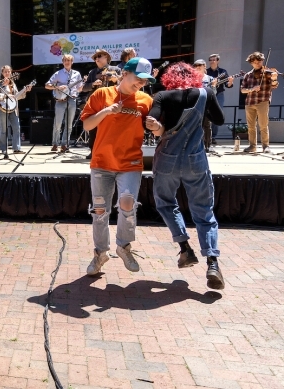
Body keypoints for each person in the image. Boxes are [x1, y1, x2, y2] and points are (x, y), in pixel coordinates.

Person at [146, 62, 225, 289]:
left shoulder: (162, 96)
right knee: (204, 211)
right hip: (195, 158)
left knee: (166, 203)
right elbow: (219, 120)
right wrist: (205, 104)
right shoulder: (205, 93)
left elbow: (152, 123)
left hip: (167, 157)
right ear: (194, 76)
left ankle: (185, 248)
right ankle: (212, 262)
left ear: (169, 78)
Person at [80, 57, 154, 276]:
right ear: (124, 74)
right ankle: (100, 253)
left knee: (128, 205)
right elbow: (87, 124)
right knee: (100, 211)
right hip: (102, 163)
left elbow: (157, 130)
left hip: (130, 163)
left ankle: (124, 246)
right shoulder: (102, 95)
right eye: (137, 79)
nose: (140, 84)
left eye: (144, 80)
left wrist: (156, 127)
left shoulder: (146, 101)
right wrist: (106, 112)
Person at [81, 49, 121, 159]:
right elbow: (84, 88)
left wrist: (116, 79)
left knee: (111, 128)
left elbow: (123, 84)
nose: (96, 59)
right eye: (95, 57)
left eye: (99, 56)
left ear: (106, 57)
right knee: (93, 128)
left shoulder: (115, 69)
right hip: (96, 104)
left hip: (111, 103)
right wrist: (93, 84)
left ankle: (111, 151)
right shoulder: (93, 72)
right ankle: (93, 150)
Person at [240, 51, 279, 153]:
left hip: (262, 101)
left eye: (260, 61)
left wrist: (274, 79)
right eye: (255, 62)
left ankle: (266, 146)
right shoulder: (247, 75)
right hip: (249, 102)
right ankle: (252, 146)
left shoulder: (267, 72)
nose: (258, 64)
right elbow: (243, 90)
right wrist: (252, 89)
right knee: (251, 126)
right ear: (251, 63)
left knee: (263, 125)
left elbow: (274, 86)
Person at [44, 54, 82, 152]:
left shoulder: (77, 74)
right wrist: (57, 87)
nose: (67, 62)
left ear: (72, 62)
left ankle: (64, 144)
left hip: (72, 99)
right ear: (63, 62)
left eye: (69, 60)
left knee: (69, 124)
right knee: (58, 123)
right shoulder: (58, 73)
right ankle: (55, 143)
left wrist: (81, 87)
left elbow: (80, 88)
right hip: (60, 100)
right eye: (65, 60)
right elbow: (47, 85)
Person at [0, 65, 31, 155]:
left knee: (17, 128)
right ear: (2, 73)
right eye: (5, 71)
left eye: (9, 71)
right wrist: (5, 96)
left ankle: (16, 148)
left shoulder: (12, 84)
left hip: (13, 109)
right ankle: (3, 149)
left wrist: (25, 91)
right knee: (4, 130)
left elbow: (17, 96)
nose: (7, 73)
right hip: (2, 109)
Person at [207, 53, 234, 144]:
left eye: (214, 60)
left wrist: (230, 82)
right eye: (210, 60)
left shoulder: (223, 72)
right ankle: (206, 136)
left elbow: (227, 85)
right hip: (208, 94)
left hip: (219, 94)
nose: (212, 61)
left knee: (217, 113)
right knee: (207, 113)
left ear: (218, 61)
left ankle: (213, 136)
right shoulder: (206, 72)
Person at [193, 59, 216, 152]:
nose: (198, 67)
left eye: (200, 65)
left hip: (206, 104)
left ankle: (207, 145)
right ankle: (196, 144)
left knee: (207, 125)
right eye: (196, 65)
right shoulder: (192, 78)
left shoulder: (210, 78)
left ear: (204, 66)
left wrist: (214, 86)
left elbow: (213, 93)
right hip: (195, 104)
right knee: (195, 125)